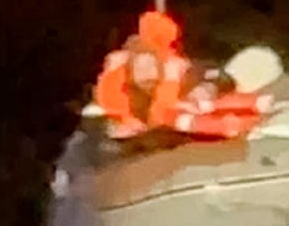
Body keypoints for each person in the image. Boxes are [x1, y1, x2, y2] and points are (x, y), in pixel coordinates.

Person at [93, 11, 276, 139]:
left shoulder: (177, 67)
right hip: (165, 130)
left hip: (193, 108)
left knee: (201, 103)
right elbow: (156, 114)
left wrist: (208, 87)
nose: (147, 71)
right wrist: (126, 121)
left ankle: (250, 109)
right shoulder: (120, 81)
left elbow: (216, 76)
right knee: (182, 116)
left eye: (152, 63)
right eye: (141, 64)